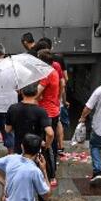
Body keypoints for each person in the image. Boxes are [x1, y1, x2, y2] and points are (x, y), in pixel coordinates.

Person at [5, 86, 60, 201]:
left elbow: (7, 129)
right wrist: (46, 145)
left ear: (21, 93)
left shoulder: (13, 108)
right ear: (36, 93)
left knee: (19, 180)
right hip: (36, 151)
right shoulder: (40, 111)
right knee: (41, 178)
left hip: (20, 150)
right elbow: (50, 133)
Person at [35, 49, 63, 187]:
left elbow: (37, 93)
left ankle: (51, 175)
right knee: (51, 144)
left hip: (47, 113)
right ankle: (51, 171)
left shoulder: (46, 74)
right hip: (53, 109)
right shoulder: (54, 71)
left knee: (47, 145)